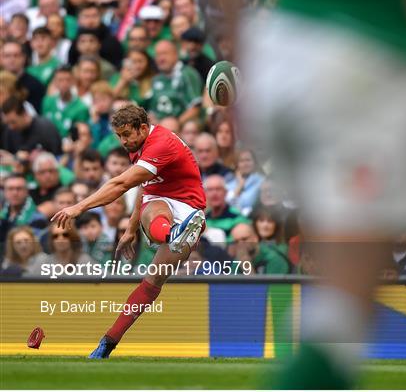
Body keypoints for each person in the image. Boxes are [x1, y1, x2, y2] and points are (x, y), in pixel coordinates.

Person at [228, 0, 406, 387]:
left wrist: (241, 61)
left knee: (337, 281)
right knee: (349, 298)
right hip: (359, 59)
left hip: (276, 55)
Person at [51, 104, 206, 358]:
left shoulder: (161, 143)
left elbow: (121, 183)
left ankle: (175, 233)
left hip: (189, 208)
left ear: (143, 128)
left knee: (152, 227)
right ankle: (108, 343)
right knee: (151, 274)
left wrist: (78, 207)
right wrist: (131, 230)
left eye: (127, 135)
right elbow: (145, 187)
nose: (123, 141)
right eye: (119, 136)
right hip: (165, 205)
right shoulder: (139, 146)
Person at [144, 40, 202, 124]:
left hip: (181, 127)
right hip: (159, 127)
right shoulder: (156, 79)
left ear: (175, 55)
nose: (161, 58)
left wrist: (175, 124)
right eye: (158, 55)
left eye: (164, 53)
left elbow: (196, 108)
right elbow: (151, 109)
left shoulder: (187, 74)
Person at [42, 65, 89, 138]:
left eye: (68, 80)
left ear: (73, 81)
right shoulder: (47, 102)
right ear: (54, 82)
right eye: (60, 80)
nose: (64, 84)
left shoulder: (81, 108)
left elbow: (78, 135)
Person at [204, 174, 248, 240]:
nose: (214, 193)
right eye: (210, 190)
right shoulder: (204, 218)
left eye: (218, 189)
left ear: (225, 192)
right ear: (205, 194)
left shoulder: (236, 217)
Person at [226, 149, 265, 217]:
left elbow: (249, 202)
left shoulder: (261, 181)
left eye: (248, 160)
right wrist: (240, 185)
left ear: (254, 163)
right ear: (237, 164)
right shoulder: (230, 184)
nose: (245, 164)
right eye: (241, 161)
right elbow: (226, 204)